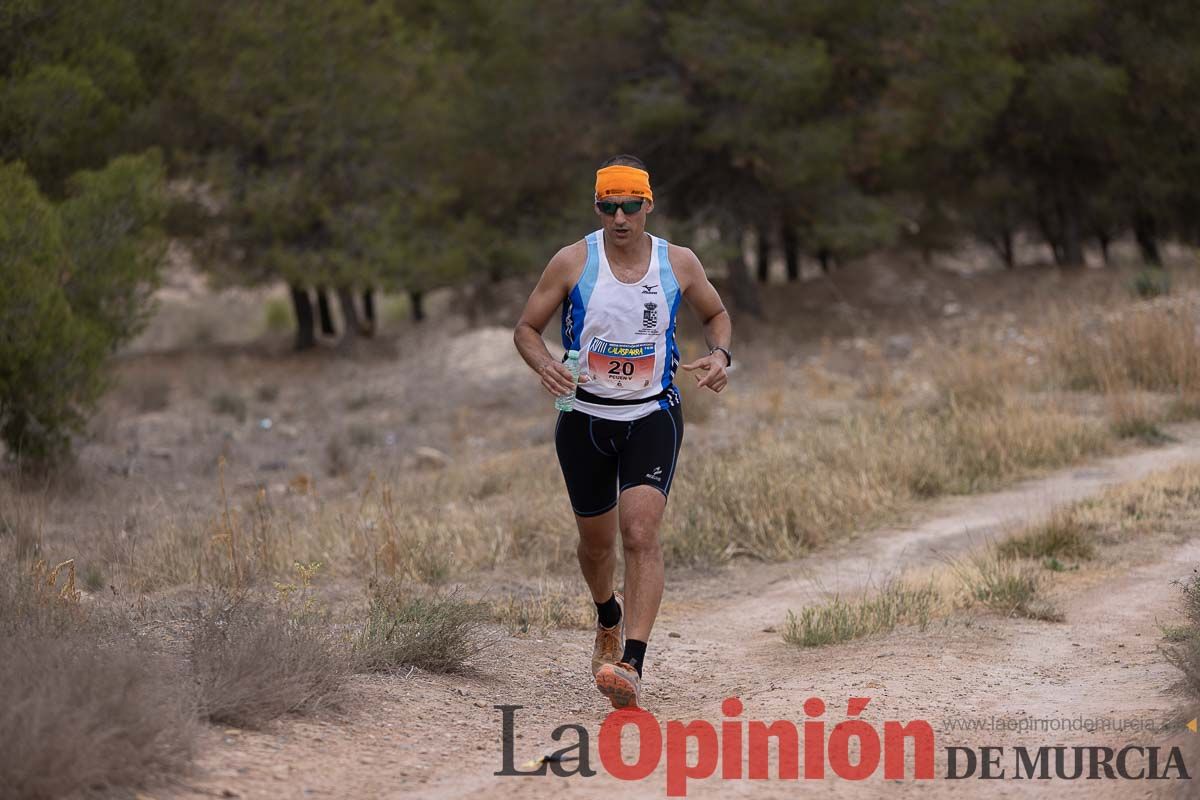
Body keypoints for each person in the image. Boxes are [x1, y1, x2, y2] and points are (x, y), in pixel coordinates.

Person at [512, 155, 733, 709]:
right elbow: (526, 329)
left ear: (647, 206)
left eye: (629, 206)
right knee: (596, 544)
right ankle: (607, 613)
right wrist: (543, 364)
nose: (619, 217)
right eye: (608, 205)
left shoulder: (677, 263)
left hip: (652, 414)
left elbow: (716, 314)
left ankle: (631, 663)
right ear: (597, 207)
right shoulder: (571, 261)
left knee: (640, 533)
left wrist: (721, 354)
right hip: (584, 417)